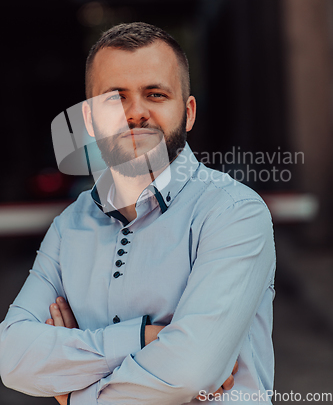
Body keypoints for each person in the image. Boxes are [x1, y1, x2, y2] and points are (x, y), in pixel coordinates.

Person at [0, 22, 275, 404]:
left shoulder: (233, 213)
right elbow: (12, 357)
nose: (136, 113)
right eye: (115, 97)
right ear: (91, 121)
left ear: (189, 112)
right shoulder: (69, 226)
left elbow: (187, 374)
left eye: (156, 94)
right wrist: (146, 338)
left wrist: (74, 393)